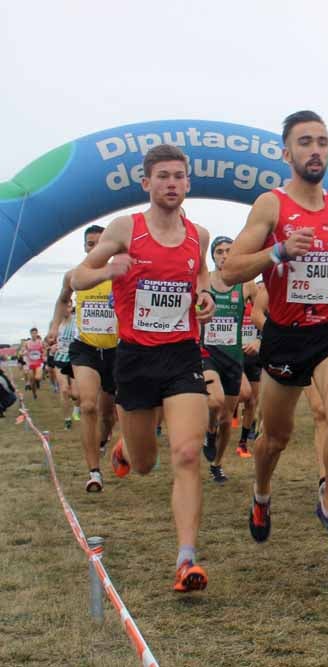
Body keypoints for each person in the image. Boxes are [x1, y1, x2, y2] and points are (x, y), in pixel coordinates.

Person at [222, 110, 328, 565]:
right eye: (305, 142)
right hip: (285, 336)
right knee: (276, 438)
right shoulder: (271, 205)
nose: (316, 149)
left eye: (322, 141)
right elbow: (230, 271)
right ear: (287, 154)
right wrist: (279, 250)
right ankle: (262, 494)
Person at [71, 143, 215, 593]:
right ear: (146, 183)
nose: (172, 183)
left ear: (188, 183)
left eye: (179, 176)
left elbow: (201, 278)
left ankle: (186, 559)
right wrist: (108, 271)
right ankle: (125, 452)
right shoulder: (125, 229)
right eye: (163, 176)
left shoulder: (199, 235)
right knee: (145, 465)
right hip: (134, 358)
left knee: (188, 454)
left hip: (182, 355)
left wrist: (205, 295)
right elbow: (77, 277)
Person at [47, 224, 119, 492]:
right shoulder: (74, 275)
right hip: (85, 347)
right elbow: (61, 301)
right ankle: (94, 472)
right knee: (88, 405)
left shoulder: (120, 274)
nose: (96, 248)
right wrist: (54, 327)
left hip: (115, 349)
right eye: (91, 244)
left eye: (101, 243)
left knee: (108, 411)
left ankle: (102, 442)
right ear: (85, 247)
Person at [200, 236, 258, 483]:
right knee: (215, 402)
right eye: (220, 251)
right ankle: (208, 432)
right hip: (207, 353)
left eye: (229, 251)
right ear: (213, 256)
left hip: (233, 358)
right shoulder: (204, 283)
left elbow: (264, 312)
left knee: (227, 418)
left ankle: (217, 463)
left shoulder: (246, 284)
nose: (224, 255)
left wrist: (260, 340)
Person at [236, 281, 263, 458]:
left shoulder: (258, 306)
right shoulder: (234, 301)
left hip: (253, 356)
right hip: (234, 355)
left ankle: (243, 442)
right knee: (232, 398)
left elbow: (266, 322)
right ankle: (213, 428)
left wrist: (259, 339)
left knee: (252, 401)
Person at [52, 304, 79, 430]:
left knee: (76, 394)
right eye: (64, 307)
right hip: (60, 358)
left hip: (74, 359)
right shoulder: (55, 322)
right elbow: (51, 339)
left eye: (69, 307)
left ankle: (76, 409)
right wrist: (52, 346)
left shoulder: (76, 320)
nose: (66, 309)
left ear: (71, 308)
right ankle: (67, 419)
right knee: (64, 390)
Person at [23, 328, 46, 399]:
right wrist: (23, 353)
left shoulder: (41, 342)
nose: (34, 335)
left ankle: (38, 382)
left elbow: (44, 350)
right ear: (30, 334)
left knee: (38, 377)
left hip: (39, 362)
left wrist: (44, 355)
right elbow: (22, 351)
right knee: (32, 381)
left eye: (35, 333)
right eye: (32, 333)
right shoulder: (27, 343)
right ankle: (34, 394)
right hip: (30, 364)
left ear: (37, 334)